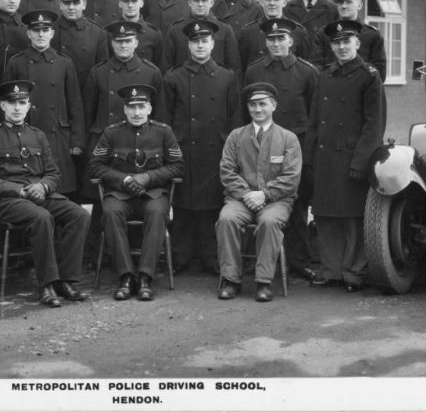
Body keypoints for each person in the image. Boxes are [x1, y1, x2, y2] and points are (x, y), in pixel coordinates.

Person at [0, 80, 90, 307]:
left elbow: (54, 173)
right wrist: (20, 190)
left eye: (22, 103)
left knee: (79, 215)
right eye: (12, 103)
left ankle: (66, 281)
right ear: (2, 106)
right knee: (42, 217)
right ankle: (47, 284)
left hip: (40, 195)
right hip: (8, 201)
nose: (17, 108)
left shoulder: (38, 135)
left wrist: (44, 187)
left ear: (29, 106)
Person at [305, 20, 386, 292]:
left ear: (357, 44)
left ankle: (353, 274)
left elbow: (374, 124)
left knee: (352, 218)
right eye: (336, 43)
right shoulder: (325, 75)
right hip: (325, 157)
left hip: (352, 159)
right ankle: (331, 271)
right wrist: (309, 156)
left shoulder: (369, 75)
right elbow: (315, 120)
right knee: (326, 217)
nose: (341, 47)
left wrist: (361, 161)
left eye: (346, 41)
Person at [88, 84, 184, 301]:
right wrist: (123, 180)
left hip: (153, 194)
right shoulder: (112, 133)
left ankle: (145, 277)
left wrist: (148, 178)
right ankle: (126, 276)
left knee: (158, 213)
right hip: (120, 196)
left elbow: (177, 166)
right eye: (132, 107)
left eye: (141, 106)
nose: (137, 112)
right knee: (111, 213)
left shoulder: (163, 132)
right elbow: (95, 166)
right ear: (124, 110)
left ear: (149, 108)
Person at [81, 20, 165, 263]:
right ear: (111, 43)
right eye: (118, 41)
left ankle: (141, 251)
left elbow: (159, 116)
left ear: (136, 42)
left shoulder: (151, 72)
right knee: (104, 201)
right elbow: (88, 112)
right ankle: (99, 255)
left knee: (141, 196)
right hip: (106, 143)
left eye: (128, 41)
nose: (123, 45)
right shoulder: (99, 72)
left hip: (142, 146)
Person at [163, 19, 241, 275]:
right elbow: (166, 120)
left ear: (212, 44)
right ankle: (180, 256)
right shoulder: (174, 77)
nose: (199, 46)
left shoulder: (226, 77)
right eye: (195, 41)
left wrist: (231, 152)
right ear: (188, 44)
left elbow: (234, 119)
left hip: (214, 151)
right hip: (183, 150)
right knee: (183, 206)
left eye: (204, 41)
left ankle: (211, 257)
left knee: (211, 206)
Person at [244, 18, 319, 281]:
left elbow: (314, 116)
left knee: (296, 208)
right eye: (271, 39)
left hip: (295, 150)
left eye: (281, 38)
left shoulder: (307, 72)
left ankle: (298, 261)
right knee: (260, 201)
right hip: (261, 148)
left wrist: (307, 155)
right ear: (265, 42)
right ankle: (262, 261)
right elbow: (248, 114)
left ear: (291, 41)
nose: (276, 43)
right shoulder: (253, 71)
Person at [216, 82, 302, 302]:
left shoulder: (288, 138)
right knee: (226, 219)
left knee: (270, 222)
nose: (258, 109)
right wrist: (247, 194)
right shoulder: (236, 136)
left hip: (276, 201)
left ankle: (264, 282)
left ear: (273, 106)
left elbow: (291, 177)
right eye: (253, 105)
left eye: (263, 104)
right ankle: (230, 280)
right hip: (241, 200)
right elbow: (227, 171)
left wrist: (264, 194)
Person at [3, 10, 85, 196]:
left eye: (45, 29)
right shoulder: (17, 63)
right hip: (26, 133)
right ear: (28, 33)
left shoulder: (64, 63)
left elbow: (75, 104)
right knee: (28, 187)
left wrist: (77, 140)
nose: (41, 34)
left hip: (57, 134)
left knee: (60, 189)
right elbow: (7, 104)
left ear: (52, 33)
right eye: (36, 30)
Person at [163, 0, 241, 78]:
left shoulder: (224, 30)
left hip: (216, 85)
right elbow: (167, 67)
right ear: (189, 2)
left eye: (204, 0)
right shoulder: (176, 30)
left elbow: (233, 67)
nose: (200, 4)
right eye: (196, 0)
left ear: (211, 2)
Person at [312, 0, 387, 81]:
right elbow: (316, 68)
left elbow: (379, 74)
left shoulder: (373, 35)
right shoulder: (324, 33)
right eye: (340, 2)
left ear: (359, 5)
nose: (344, 6)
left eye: (349, 2)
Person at [239, 0, 312, 67]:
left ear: (284, 2)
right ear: (262, 1)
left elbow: (304, 68)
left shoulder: (298, 31)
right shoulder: (248, 31)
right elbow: (241, 68)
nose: (272, 3)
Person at [51, 0, 109, 85]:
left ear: (84, 5)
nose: (71, 7)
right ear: (60, 5)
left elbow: (102, 72)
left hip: (86, 91)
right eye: (67, 3)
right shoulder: (50, 31)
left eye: (76, 3)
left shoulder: (97, 32)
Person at [113, 0, 164, 71]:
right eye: (126, 1)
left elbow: (159, 69)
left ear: (141, 3)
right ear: (120, 4)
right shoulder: (110, 32)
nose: (130, 5)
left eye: (134, 0)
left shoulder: (154, 35)